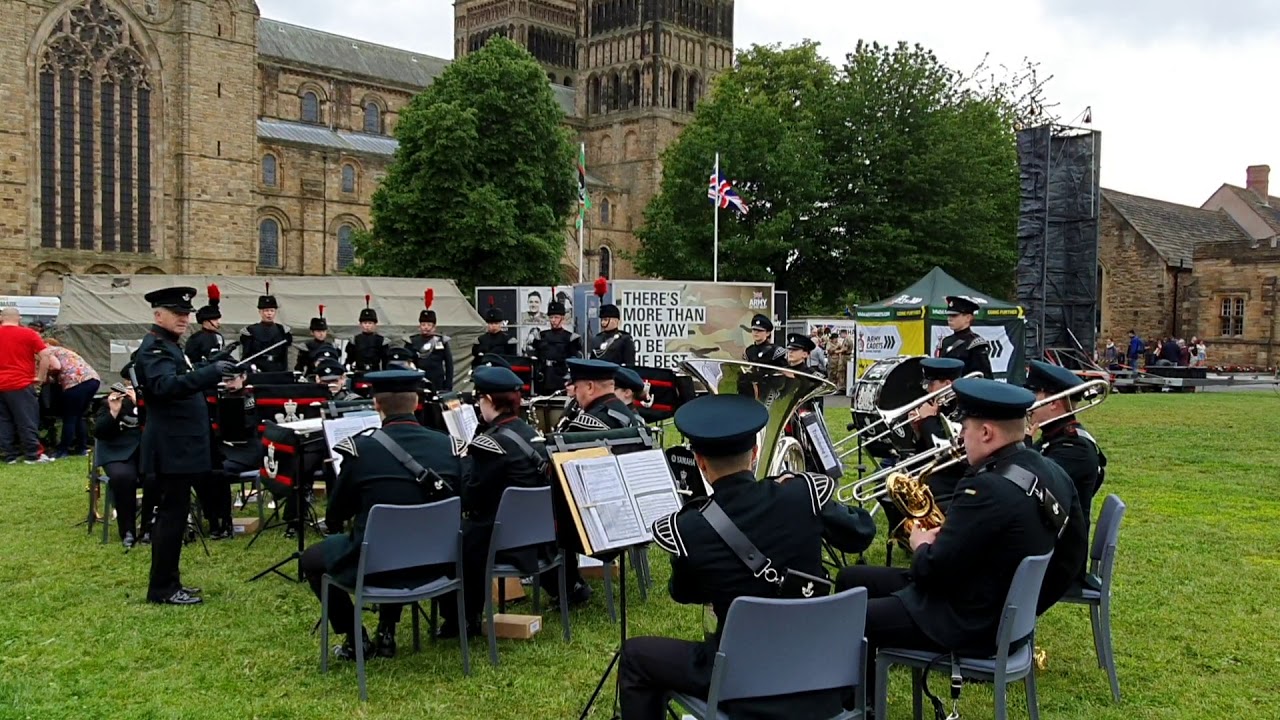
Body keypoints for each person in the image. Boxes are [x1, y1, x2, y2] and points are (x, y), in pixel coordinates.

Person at [834, 379, 1076, 706]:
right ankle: (858, 692)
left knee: (851, 616)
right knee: (852, 579)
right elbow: (1071, 558)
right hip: (991, 603)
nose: (961, 437)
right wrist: (1026, 613)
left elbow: (930, 571)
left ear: (987, 433)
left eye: (965, 429)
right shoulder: (1053, 471)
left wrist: (919, 542)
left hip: (968, 620)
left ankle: (860, 709)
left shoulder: (985, 487)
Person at [619, 394, 842, 719]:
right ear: (754, 455)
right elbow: (861, 532)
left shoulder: (689, 527)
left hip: (741, 676)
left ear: (700, 462)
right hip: (817, 664)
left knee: (635, 655)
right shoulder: (801, 493)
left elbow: (682, 593)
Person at [298, 369, 463, 659]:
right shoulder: (448, 446)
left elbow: (336, 515)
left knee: (312, 559)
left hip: (375, 565)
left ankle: (355, 637)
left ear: (377, 405)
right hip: (437, 562)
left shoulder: (360, 452)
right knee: (395, 538)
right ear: (416, 403)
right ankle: (387, 627)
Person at [135, 286, 244, 605]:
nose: (184, 319)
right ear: (158, 315)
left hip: (183, 445)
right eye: (177, 314)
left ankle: (170, 581)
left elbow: (182, 379)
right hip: (172, 448)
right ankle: (162, 589)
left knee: (177, 514)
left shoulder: (170, 346)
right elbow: (164, 387)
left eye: (186, 314)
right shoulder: (154, 348)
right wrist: (207, 374)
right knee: (171, 517)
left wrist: (208, 366)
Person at [449, 366, 553, 637]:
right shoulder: (531, 434)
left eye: (479, 400)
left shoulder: (489, 444)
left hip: (508, 543)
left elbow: (472, 498)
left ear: (490, 401)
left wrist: (465, 462)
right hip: (540, 537)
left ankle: (465, 618)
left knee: (458, 536)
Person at [1025, 361, 1098, 603]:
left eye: (1035, 395)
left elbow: (1031, 487)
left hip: (1058, 560)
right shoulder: (1053, 437)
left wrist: (1022, 444)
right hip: (1045, 544)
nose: (1030, 405)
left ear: (1054, 403)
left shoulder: (1074, 447)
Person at [94, 366, 148, 548]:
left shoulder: (152, 404)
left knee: (158, 475)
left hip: (146, 451)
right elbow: (100, 432)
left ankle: (149, 527)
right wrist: (114, 412)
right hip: (117, 452)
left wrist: (141, 404)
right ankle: (128, 531)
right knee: (123, 477)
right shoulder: (107, 403)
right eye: (129, 385)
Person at [907, 357, 967, 511]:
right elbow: (926, 454)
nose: (928, 390)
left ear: (947, 385)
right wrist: (917, 431)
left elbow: (947, 453)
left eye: (931, 384)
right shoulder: (942, 405)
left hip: (956, 479)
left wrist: (927, 421)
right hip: (939, 473)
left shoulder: (964, 407)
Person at [0, 306, 54, 464]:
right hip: (20, 383)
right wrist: (40, 377)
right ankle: (33, 454)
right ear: (19, 318)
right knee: (26, 419)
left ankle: (10, 454)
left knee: (4, 421)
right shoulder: (29, 334)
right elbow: (45, 356)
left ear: (2, 318)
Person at [44, 341, 101, 458]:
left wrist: (43, 375)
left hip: (76, 382)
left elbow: (56, 366)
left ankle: (63, 450)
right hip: (92, 379)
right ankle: (82, 448)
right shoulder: (62, 351)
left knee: (70, 417)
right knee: (79, 416)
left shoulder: (46, 351)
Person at [562, 358, 641, 432]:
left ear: (590, 387)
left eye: (576, 388)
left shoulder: (587, 424)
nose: (575, 393)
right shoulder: (626, 413)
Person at [406, 290, 453, 392]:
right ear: (419, 326)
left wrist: (448, 385)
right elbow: (408, 363)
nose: (426, 327)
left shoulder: (442, 341)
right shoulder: (412, 341)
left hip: (437, 381)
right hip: (418, 381)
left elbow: (449, 365)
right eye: (423, 325)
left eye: (428, 325)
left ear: (434, 327)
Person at [240, 283, 292, 373]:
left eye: (272, 310)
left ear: (275, 312)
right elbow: (246, 356)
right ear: (260, 312)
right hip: (257, 369)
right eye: (266, 311)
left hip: (277, 370)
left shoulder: (282, 330)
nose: (269, 314)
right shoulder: (250, 331)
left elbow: (285, 355)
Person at [936, 296, 993, 379]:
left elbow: (984, 376)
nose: (949, 319)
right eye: (948, 315)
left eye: (954, 315)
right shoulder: (945, 342)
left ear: (968, 318)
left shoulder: (975, 344)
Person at [532, 298, 581, 392]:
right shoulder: (541, 336)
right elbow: (536, 356)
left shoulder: (570, 337)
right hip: (544, 376)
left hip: (560, 376)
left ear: (562, 318)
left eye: (556, 317)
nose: (553, 320)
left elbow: (574, 360)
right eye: (551, 317)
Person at [345, 297, 389, 373]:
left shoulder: (382, 340)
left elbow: (385, 360)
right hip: (358, 371)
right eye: (365, 323)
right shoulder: (354, 340)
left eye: (370, 323)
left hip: (376, 372)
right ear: (360, 325)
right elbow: (350, 359)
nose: (367, 326)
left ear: (375, 325)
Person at [185, 285, 226, 365]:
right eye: (214, 320)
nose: (217, 322)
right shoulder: (195, 338)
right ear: (205, 321)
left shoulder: (219, 336)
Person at [295, 306, 336, 375]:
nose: (321, 334)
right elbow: (300, 366)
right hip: (312, 375)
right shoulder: (306, 347)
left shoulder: (332, 346)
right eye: (318, 331)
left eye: (323, 331)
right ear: (312, 332)